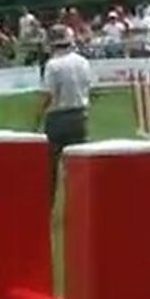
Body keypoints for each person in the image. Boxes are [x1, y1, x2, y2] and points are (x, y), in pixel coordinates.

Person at [35, 24, 92, 201]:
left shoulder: (52, 65)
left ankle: (48, 203)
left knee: (50, 166)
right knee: (78, 164)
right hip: (79, 116)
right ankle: (81, 201)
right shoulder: (83, 62)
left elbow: (49, 94)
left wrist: (38, 116)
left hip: (58, 117)